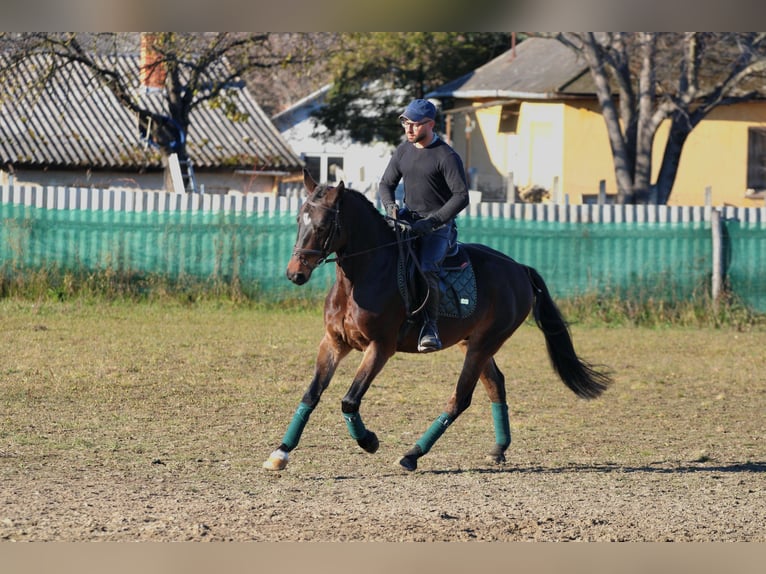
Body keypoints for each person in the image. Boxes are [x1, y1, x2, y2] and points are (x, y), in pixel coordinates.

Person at [378, 98, 470, 352]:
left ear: (430, 124)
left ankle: (430, 326)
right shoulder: (403, 150)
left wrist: (433, 222)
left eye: (415, 125)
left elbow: (461, 197)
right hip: (406, 220)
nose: (408, 129)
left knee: (427, 266)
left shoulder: (447, 156)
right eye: (406, 123)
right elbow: (386, 184)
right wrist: (390, 208)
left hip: (439, 227)